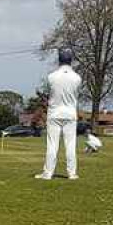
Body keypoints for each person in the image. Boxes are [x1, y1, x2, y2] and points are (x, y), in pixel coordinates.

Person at [36, 49, 82, 180]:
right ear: (71, 60)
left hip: (54, 113)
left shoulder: (51, 77)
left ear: (59, 60)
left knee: (52, 145)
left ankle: (48, 173)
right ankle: (72, 173)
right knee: (70, 144)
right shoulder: (77, 78)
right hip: (70, 113)